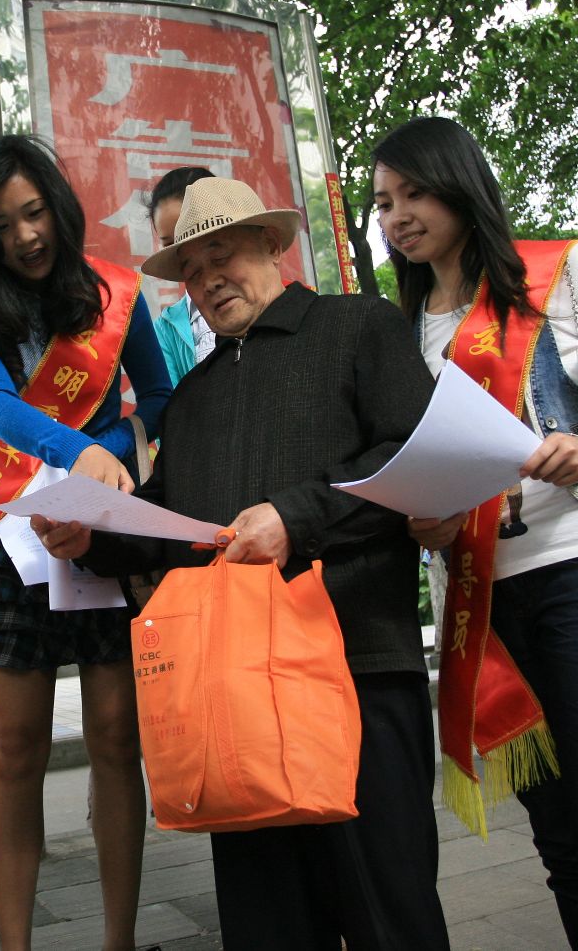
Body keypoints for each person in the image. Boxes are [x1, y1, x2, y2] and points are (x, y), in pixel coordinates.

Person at [34, 175, 450, 950]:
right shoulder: (191, 397)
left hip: (355, 670)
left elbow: (414, 457)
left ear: (271, 242)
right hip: (233, 695)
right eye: (191, 270)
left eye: (221, 254)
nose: (208, 280)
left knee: (390, 914)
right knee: (267, 925)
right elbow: (169, 524)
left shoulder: (360, 325)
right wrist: (93, 536)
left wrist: (297, 517)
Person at [374, 116, 578, 949]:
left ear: (459, 184)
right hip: (482, 601)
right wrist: (427, 519)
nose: (397, 215)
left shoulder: (562, 270)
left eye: (414, 192)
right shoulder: (405, 329)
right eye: (383, 202)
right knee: (562, 848)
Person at [0, 134, 172, 951]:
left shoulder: (114, 294)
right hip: (15, 536)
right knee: (18, 747)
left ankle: (119, 941)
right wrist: (80, 448)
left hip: (102, 531)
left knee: (116, 737)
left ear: (57, 207)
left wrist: (115, 450)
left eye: (34, 213)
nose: (25, 235)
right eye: (1, 225)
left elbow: (159, 396)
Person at [147, 165, 218, 385]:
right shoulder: (166, 327)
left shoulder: (279, 303)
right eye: (172, 245)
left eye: (195, 234)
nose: (187, 252)